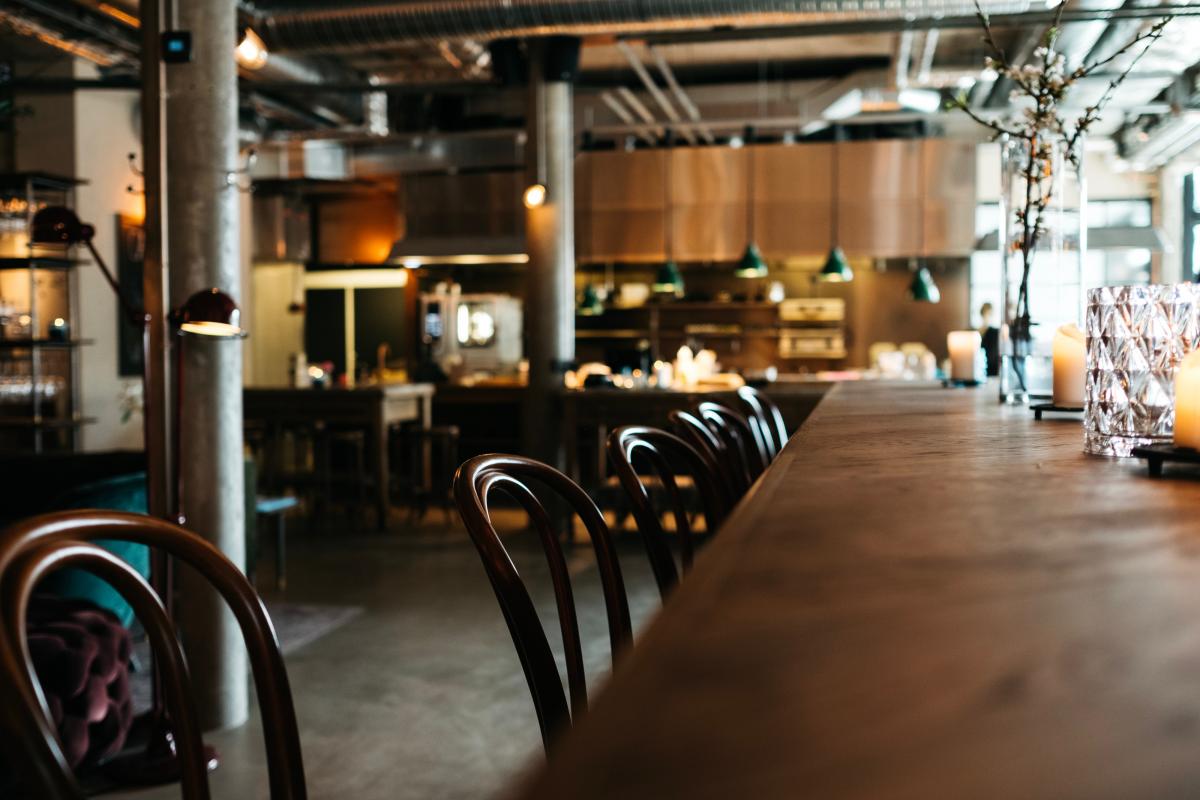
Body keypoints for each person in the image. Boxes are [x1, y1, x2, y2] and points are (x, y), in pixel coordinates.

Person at [979, 302, 1000, 377]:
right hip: (979, 369)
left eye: (990, 314)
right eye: (986, 314)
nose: (988, 317)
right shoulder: (976, 333)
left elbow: (994, 354)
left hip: (991, 371)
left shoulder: (995, 332)